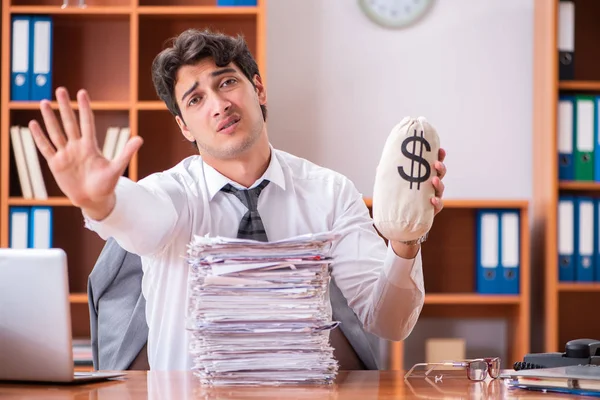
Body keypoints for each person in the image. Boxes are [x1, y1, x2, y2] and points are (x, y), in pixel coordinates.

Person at [28, 29, 447, 371]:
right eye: (195, 99)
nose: (219, 104)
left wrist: (406, 240)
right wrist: (101, 201)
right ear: (184, 127)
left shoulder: (330, 192)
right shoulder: (173, 194)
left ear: (258, 89)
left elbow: (389, 323)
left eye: (227, 82)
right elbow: (139, 217)